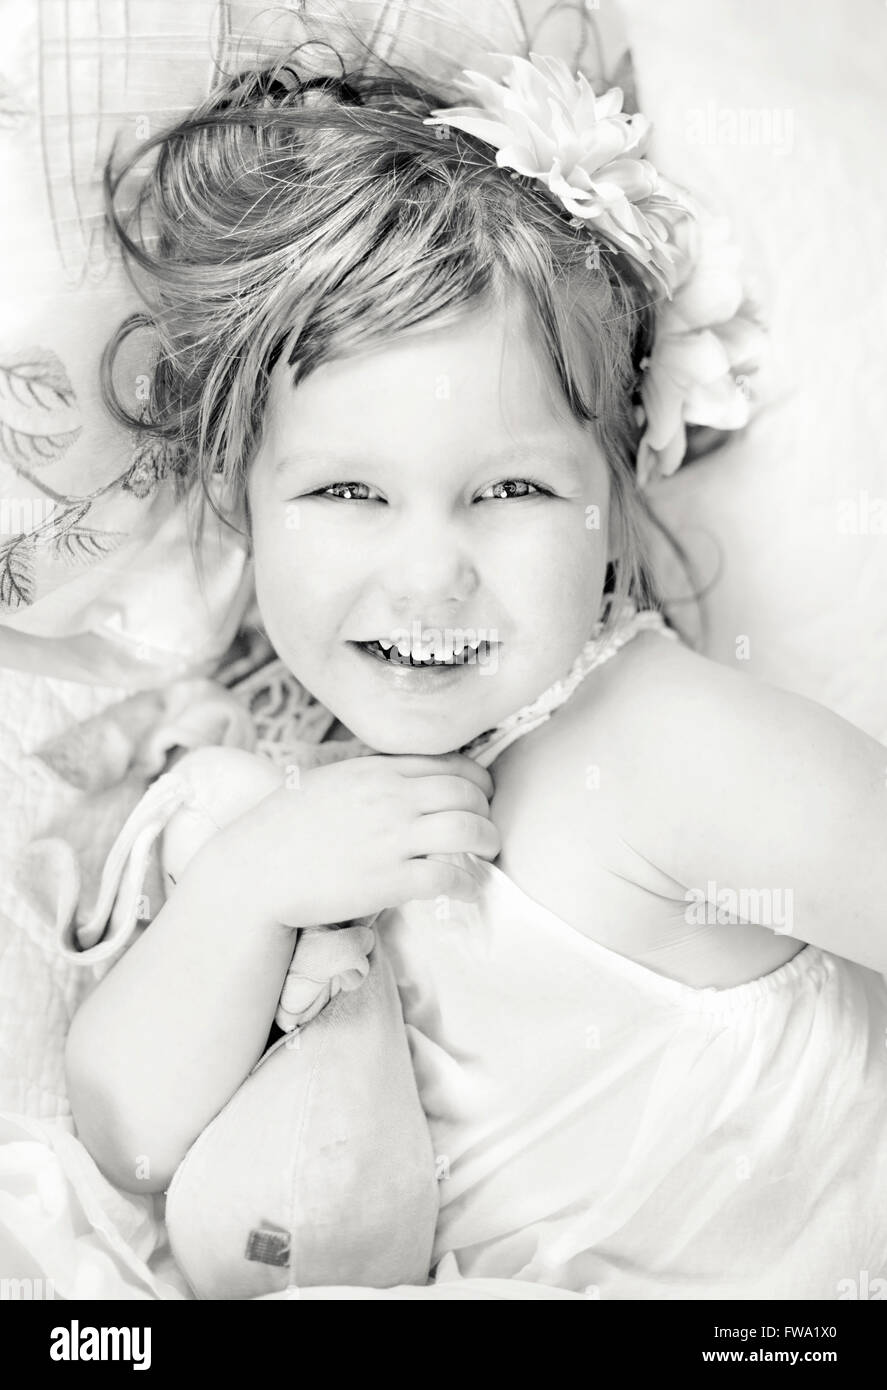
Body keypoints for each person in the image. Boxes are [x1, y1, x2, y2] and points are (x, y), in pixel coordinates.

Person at [65, 50, 887, 1299]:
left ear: (613, 500)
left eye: (509, 490)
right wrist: (238, 896)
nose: (427, 576)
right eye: (348, 491)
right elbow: (128, 1146)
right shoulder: (280, 791)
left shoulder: (667, 751)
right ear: (241, 498)